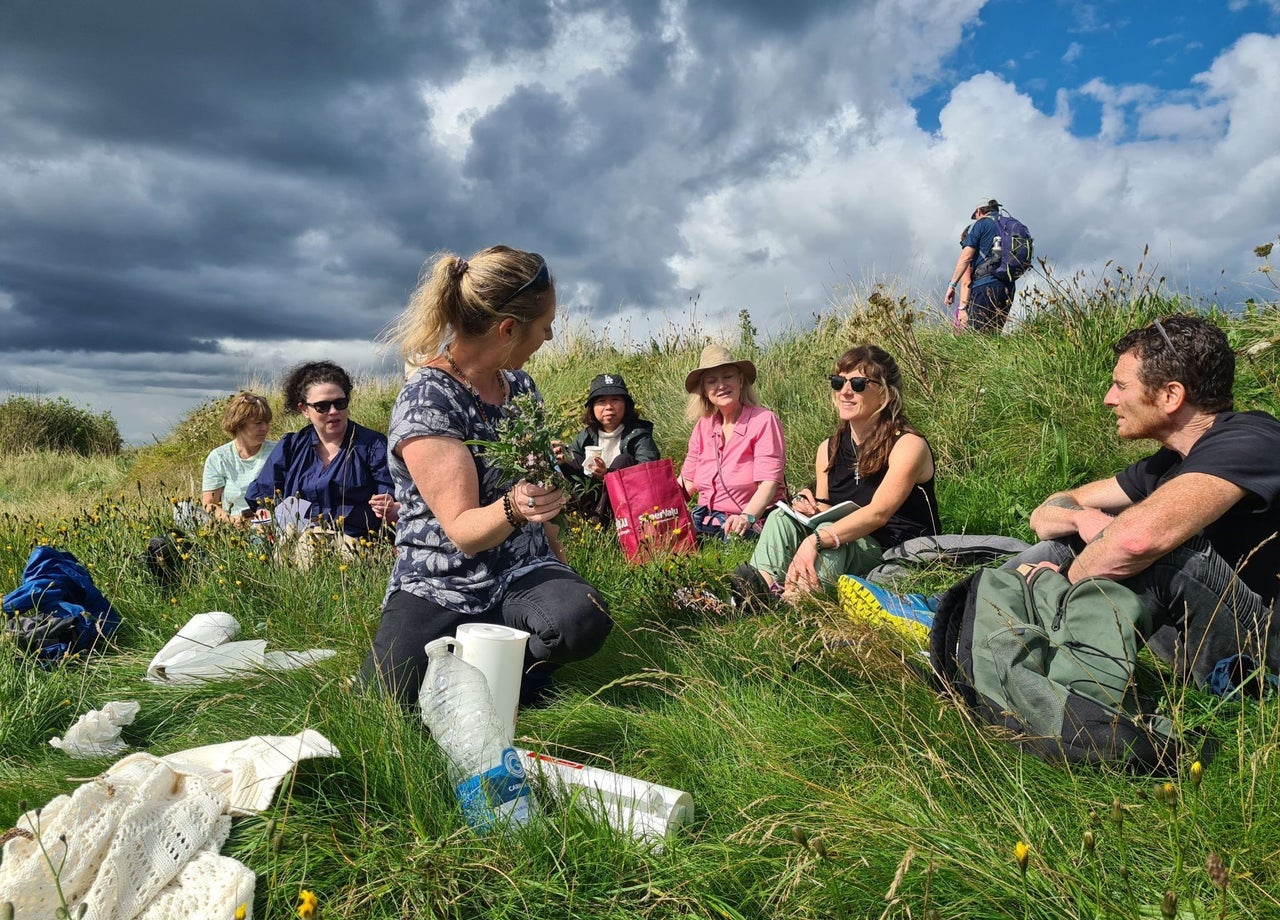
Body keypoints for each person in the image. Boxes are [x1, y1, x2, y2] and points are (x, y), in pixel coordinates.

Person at [361, 245, 613, 708]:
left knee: (582, 619)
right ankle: (487, 670)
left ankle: (507, 680)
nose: (551, 336)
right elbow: (463, 532)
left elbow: (539, 489)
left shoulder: (520, 387)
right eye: (544, 326)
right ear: (508, 329)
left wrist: (560, 568)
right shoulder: (428, 400)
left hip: (521, 565)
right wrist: (516, 507)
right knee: (388, 703)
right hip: (442, 578)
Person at [1008, 315, 1280, 694]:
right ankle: (983, 616)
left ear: (1171, 395)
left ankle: (1018, 629)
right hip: (1207, 624)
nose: (1109, 398)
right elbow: (1046, 513)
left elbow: (1135, 541)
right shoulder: (1169, 462)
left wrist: (1053, 583)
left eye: (1121, 385)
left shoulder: (1253, 438)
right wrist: (1083, 518)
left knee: (1167, 552)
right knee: (1067, 540)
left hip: (1265, 648)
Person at [734, 345, 941, 603]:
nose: (845, 391)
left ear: (886, 393)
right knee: (780, 518)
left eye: (858, 383)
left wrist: (816, 540)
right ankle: (758, 591)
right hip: (846, 536)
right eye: (838, 382)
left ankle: (795, 602)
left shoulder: (908, 445)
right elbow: (826, 506)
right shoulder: (829, 448)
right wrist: (807, 506)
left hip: (892, 546)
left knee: (831, 534)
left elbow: (879, 513)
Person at [246, 361, 396, 540]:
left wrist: (388, 505)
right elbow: (263, 493)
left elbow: (392, 494)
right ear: (304, 409)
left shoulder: (373, 445)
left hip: (359, 546)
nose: (333, 411)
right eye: (322, 406)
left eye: (340, 403)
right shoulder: (290, 447)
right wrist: (265, 512)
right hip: (297, 541)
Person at [677, 345, 786, 541]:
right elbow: (687, 482)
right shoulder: (703, 426)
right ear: (704, 390)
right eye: (712, 381)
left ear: (740, 380)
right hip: (705, 519)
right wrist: (658, 508)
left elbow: (769, 484)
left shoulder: (764, 420)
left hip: (752, 520)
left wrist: (747, 517)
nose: (720, 385)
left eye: (727, 377)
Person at [553, 373, 660, 523]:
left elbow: (649, 471)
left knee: (624, 460)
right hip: (592, 496)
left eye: (615, 400)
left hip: (628, 501)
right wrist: (560, 456)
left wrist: (608, 475)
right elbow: (575, 464)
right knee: (569, 458)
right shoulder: (587, 435)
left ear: (626, 405)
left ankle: (598, 523)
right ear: (592, 408)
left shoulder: (639, 435)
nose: (609, 407)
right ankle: (573, 516)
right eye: (601, 401)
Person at [201, 392, 276, 523]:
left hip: (271, 523)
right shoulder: (219, 457)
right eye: (258, 423)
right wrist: (231, 521)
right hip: (235, 527)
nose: (265, 428)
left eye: (267, 422)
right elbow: (209, 504)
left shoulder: (278, 452)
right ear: (239, 424)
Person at [945, 199, 1015, 333]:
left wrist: (952, 286)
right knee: (993, 336)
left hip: (984, 285)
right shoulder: (1006, 225)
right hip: (1008, 286)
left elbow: (966, 258)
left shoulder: (979, 225)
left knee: (976, 339)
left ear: (979, 211)